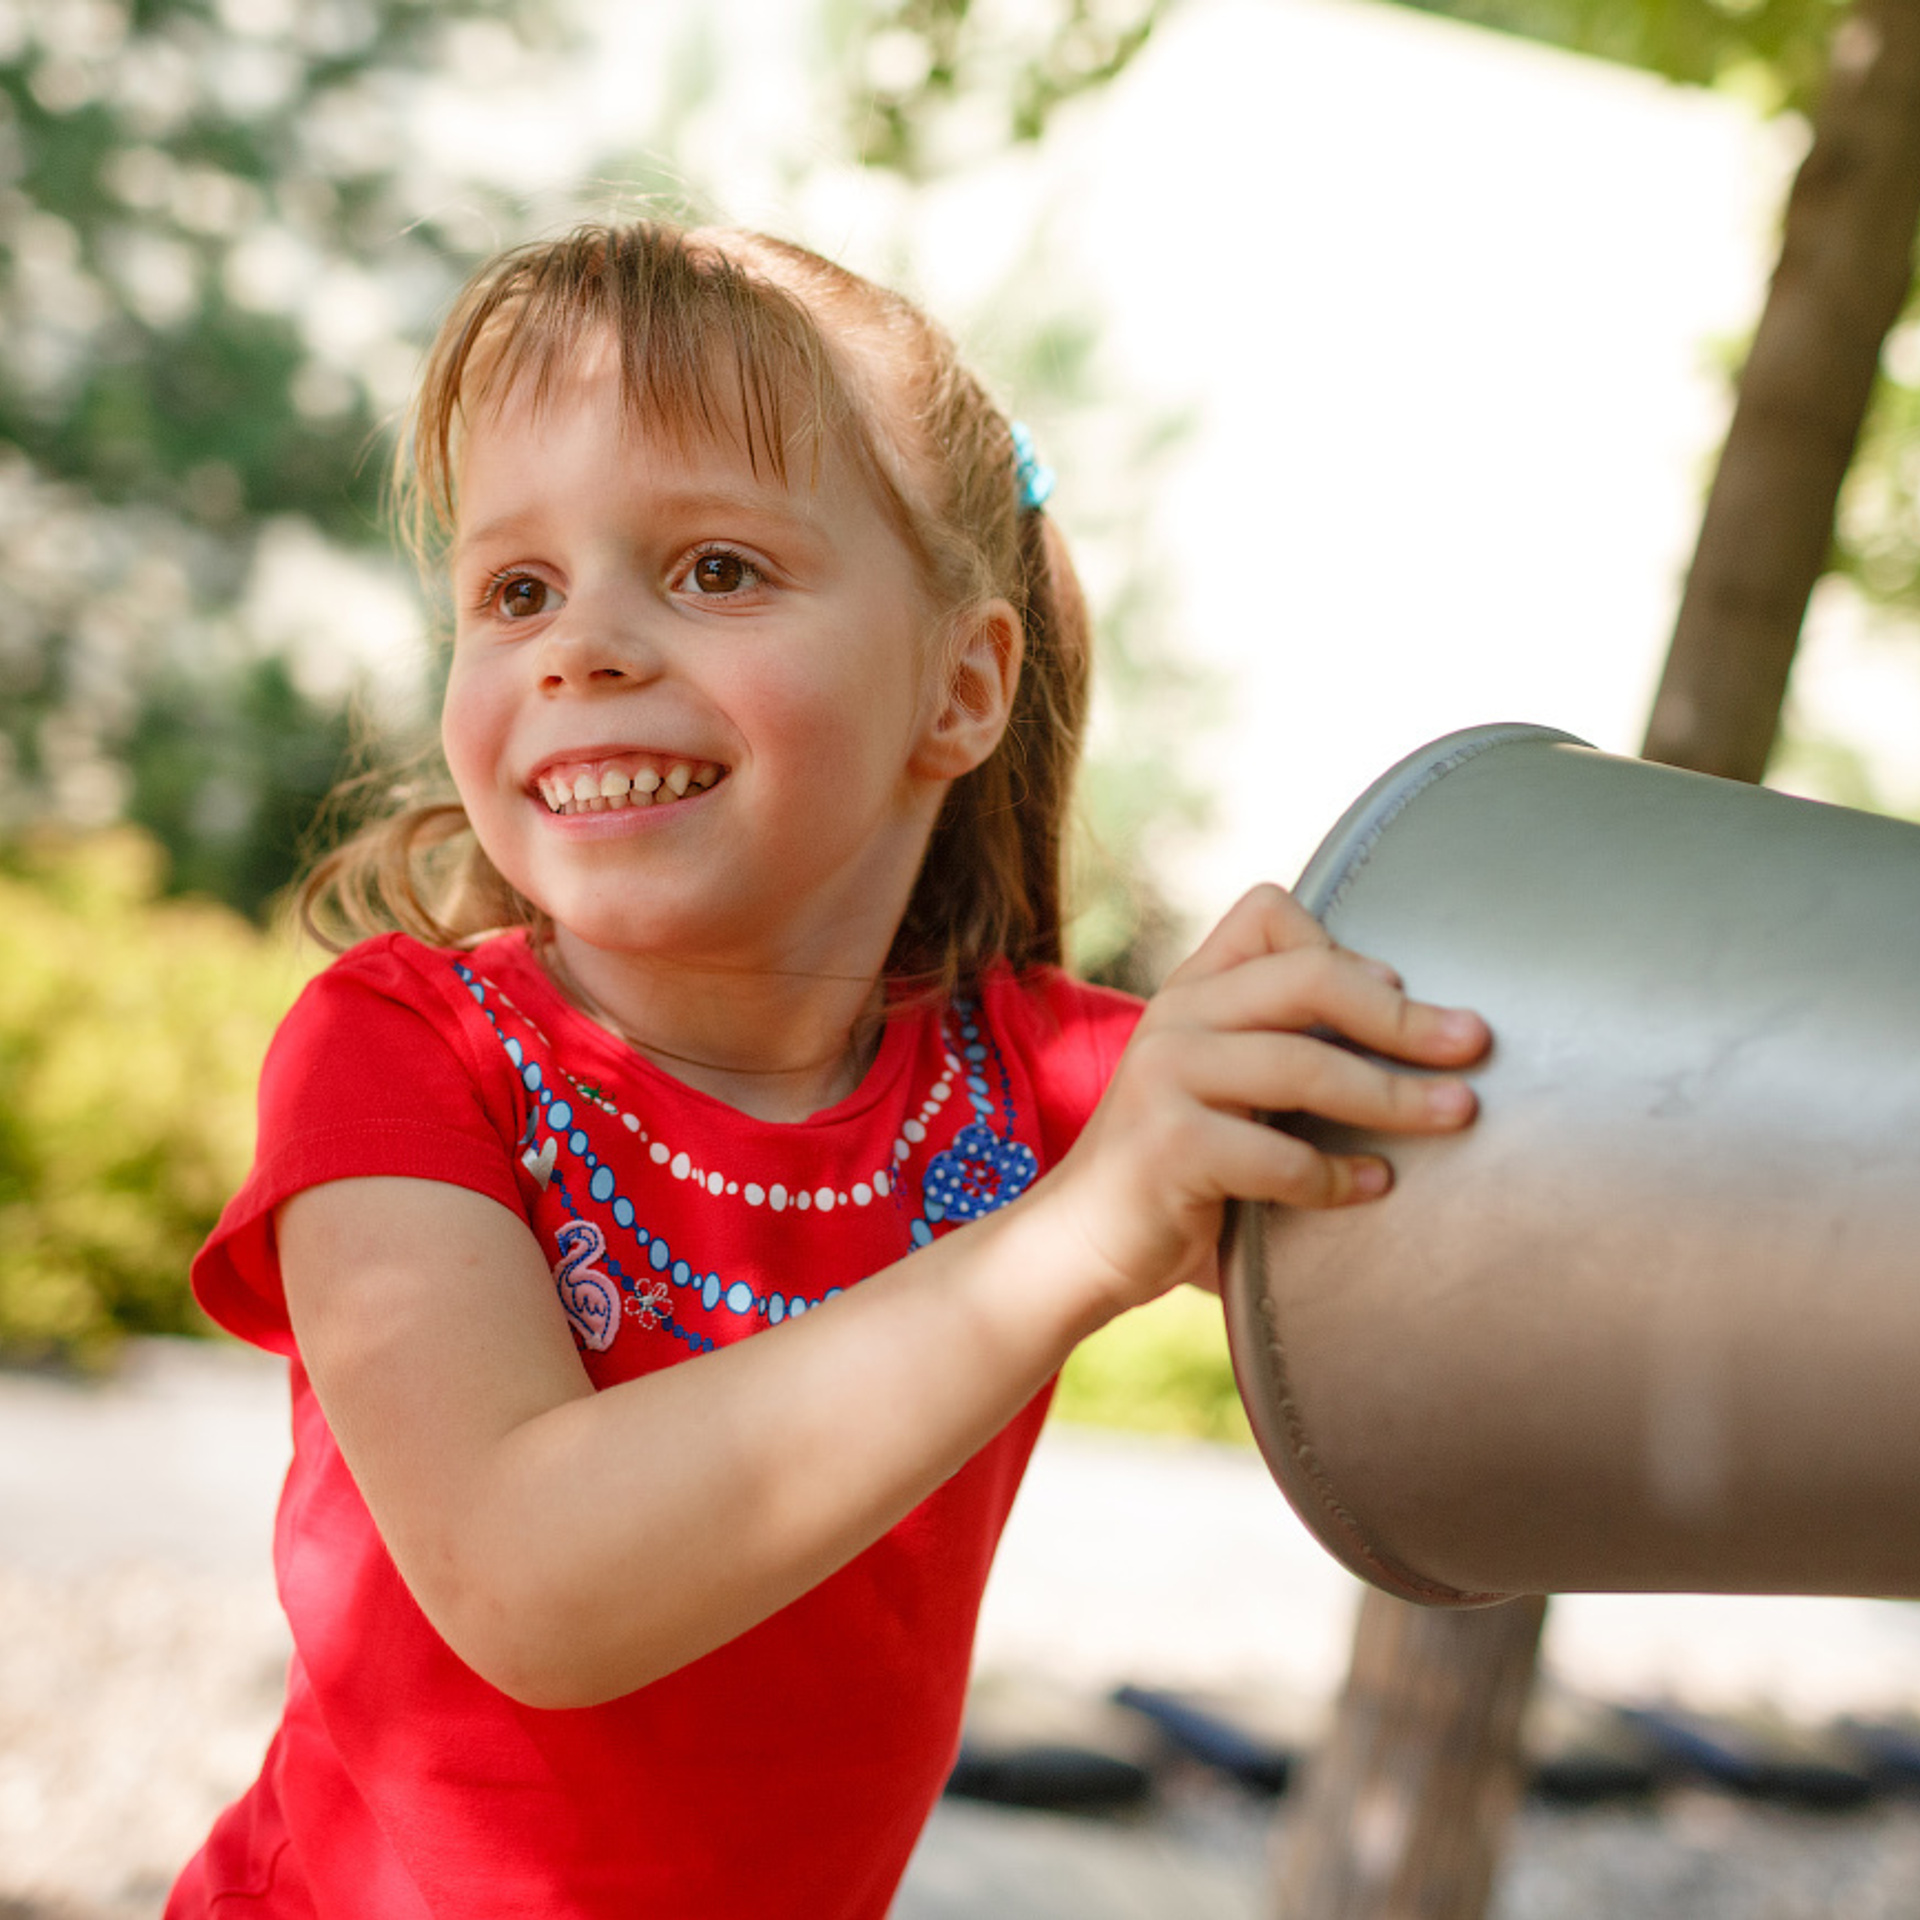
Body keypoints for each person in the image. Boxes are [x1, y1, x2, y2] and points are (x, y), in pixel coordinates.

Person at [166, 219, 1487, 1918]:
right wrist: (1081, 1238)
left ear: (961, 685)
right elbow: (526, 1583)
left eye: (714, 568)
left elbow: (1487, 1207)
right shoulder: (403, 1053)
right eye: (516, 589)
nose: (582, 645)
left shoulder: (1039, 1097)